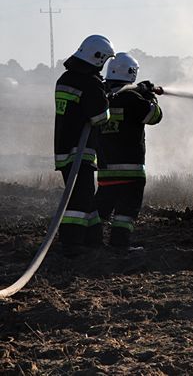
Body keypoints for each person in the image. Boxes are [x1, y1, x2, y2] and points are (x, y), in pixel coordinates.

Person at [94, 52, 163, 253]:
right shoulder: (131, 97)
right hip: (131, 169)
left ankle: (92, 241)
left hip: (106, 169)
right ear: (132, 73)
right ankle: (119, 244)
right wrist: (149, 96)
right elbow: (154, 116)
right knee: (127, 211)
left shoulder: (103, 96)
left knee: (102, 208)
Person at [54, 35, 114, 257]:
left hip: (64, 150)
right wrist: (103, 94)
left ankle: (93, 240)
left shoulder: (66, 78)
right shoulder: (89, 83)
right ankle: (71, 244)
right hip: (81, 152)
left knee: (86, 196)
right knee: (79, 199)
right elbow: (100, 117)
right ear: (97, 58)